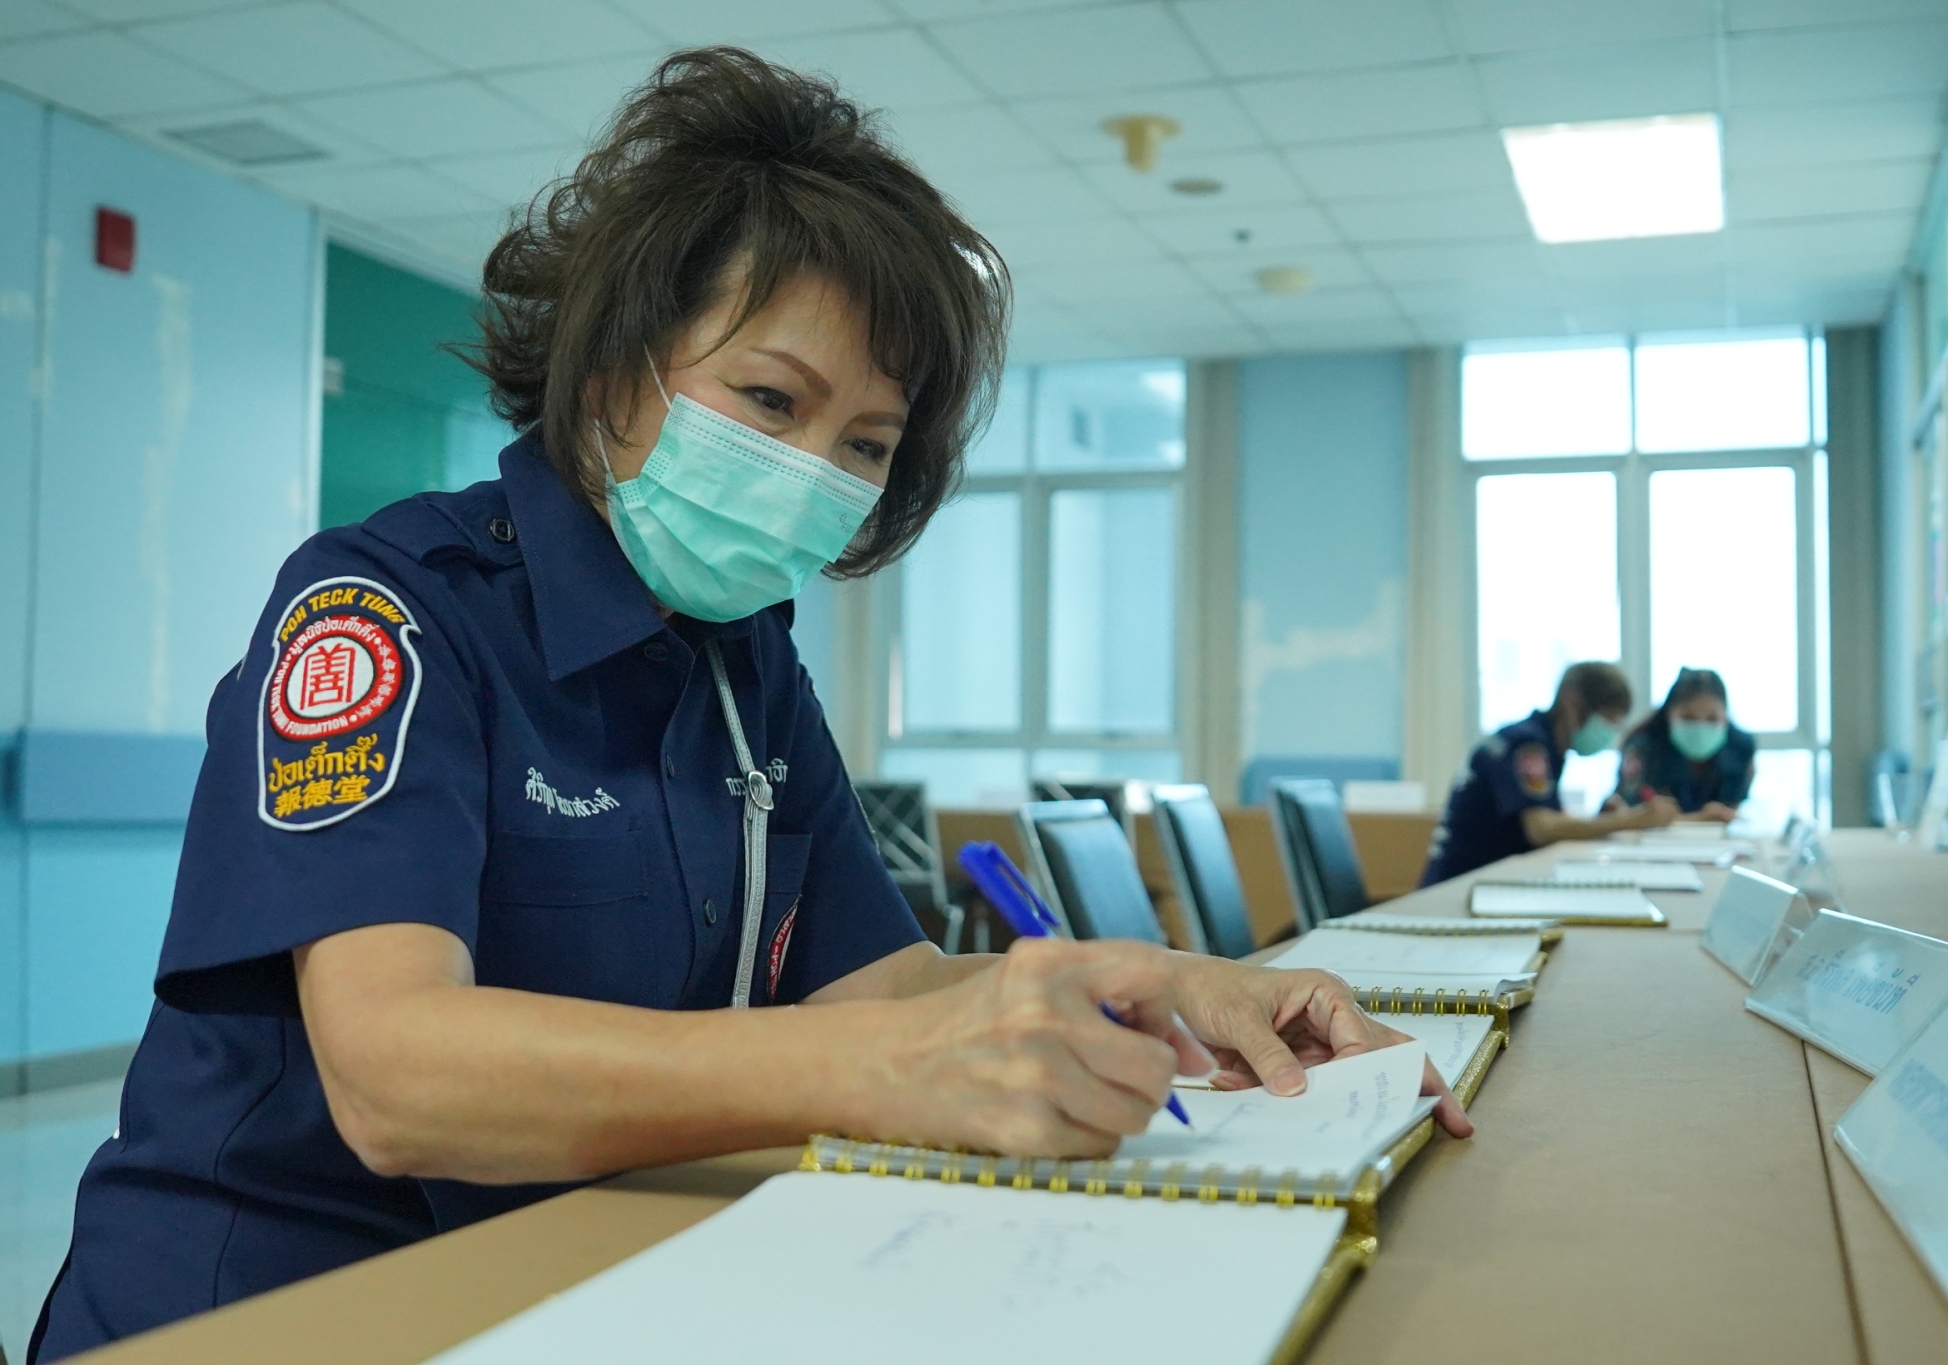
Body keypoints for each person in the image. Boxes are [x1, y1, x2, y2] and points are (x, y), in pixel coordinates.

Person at [30, 50, 1467, 1361]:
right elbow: (396, 1076)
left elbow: (881, 984)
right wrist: (882, 1067)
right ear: (613, 373)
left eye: (866, 443)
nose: (814, 473)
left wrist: (1166, 984)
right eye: (773, 402)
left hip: (570, 1275)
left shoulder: (743, 664)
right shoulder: (387, 612)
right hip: (282, 1309)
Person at [1419, 661, 1677, 886]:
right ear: (1573, 702)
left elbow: (1543, 824)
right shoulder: (1526, 746)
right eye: (1608, 718)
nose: (1612, 731)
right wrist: (1631, 820)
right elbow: (1541, 829)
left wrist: (1601, 821)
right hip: (1460, 887)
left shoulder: (1548, 748)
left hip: (1483, 882)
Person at [1611, 668, 1755, 821]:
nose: (1700, 728)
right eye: (1688, 718)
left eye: (1712, 719)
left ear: (1725, 718)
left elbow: (1731, 810)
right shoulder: (1641, 750)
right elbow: (1633, 816)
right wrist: (1699, 819)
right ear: (1668, 715)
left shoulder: (1741, 749)